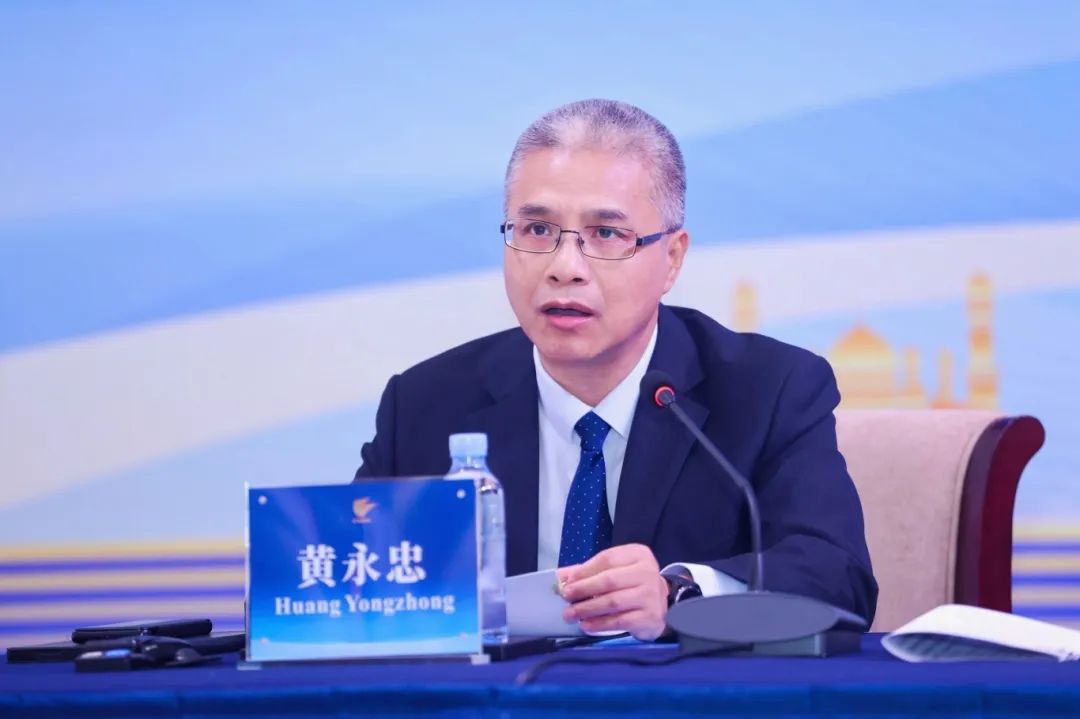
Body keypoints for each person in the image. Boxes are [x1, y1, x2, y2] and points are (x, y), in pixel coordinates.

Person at [355, 99, 877, 640]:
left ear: (671, 259)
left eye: (606, 234)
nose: (565, 268)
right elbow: (345, 590)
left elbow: (838, 580)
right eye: (537, 229)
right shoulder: (425, 405)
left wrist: (679, 595)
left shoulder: (769, 390)